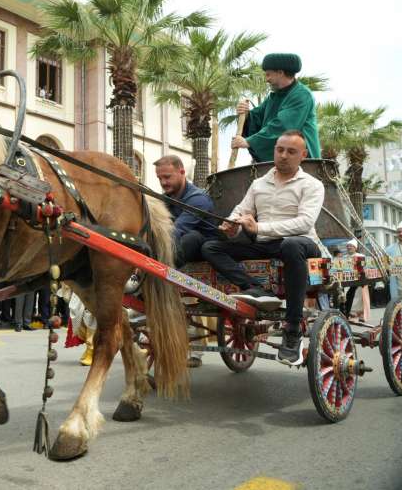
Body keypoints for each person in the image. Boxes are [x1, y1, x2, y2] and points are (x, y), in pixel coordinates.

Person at [201, 130, 324, 366]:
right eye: (280, 150)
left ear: (303, 155)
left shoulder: (312, 185)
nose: (284, 155)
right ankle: (255, 288)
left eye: (291, 151)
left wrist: (259, 228)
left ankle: (292, 330)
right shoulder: (259, 184)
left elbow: (304, 222)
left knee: (291, 245)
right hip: (265, 243)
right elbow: (241, 210)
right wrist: (231, 225)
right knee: (211, 247)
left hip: (302, 243)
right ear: (274, 151)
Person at [154, 154, 217, 367]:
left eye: (167, 177)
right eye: (160, 178)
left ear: (182, 172)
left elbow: (176, 230)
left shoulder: (198, 198)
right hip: (178, 256)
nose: (163, 182)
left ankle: (155, 276)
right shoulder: (165, 199)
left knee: (191, 237)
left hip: (204, 254)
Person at [232, 53, 320, 162]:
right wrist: (246, 114)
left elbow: (283, 126)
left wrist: (249, 142)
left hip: (304, 162)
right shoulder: (274, 97)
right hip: (283, 163)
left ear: (280, 73)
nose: (266, 79)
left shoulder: (302, 95)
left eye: (268, 74)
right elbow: (256, 118)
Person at [342, 239, 371, 322]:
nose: (349, 247)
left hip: (359, 280)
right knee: (349, 297)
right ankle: (351, 314)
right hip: (347, 280)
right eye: (348, 246)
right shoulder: (344, 257)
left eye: (351, 246)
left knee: (359, 297)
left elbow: (365, 266)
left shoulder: (361, 256)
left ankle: (359, 315)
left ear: (355, 247)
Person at [385, 223, 402, 302]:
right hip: (396, 284)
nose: (400, 234)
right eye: (398, 232)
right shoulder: (389, 249)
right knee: (397, 308)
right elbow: (385, 265)